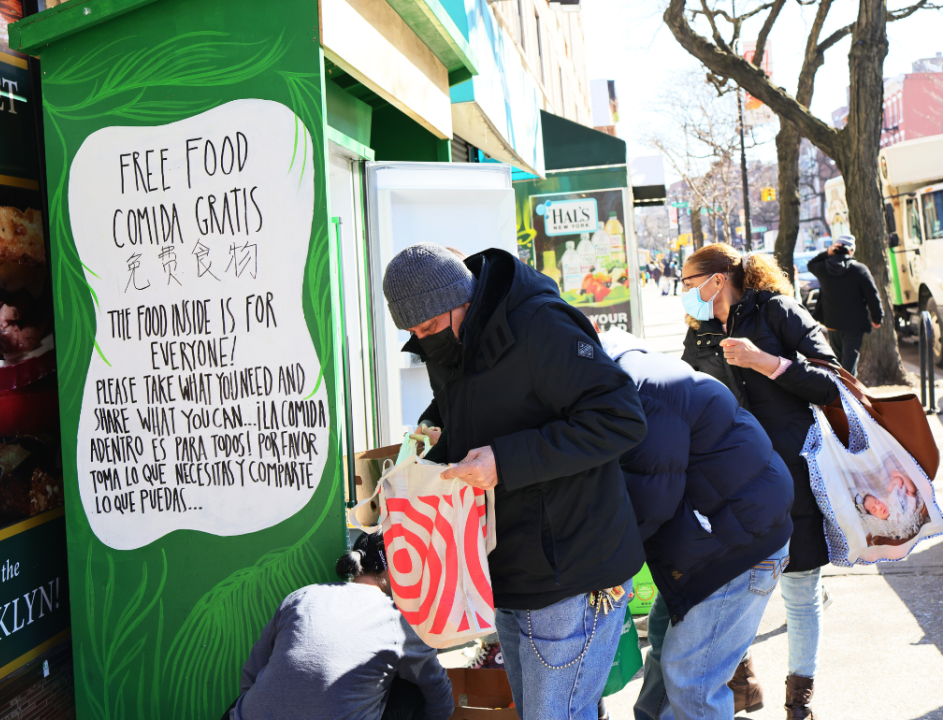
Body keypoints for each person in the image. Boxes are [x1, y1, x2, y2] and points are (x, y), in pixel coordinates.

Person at [382, 243, 648, 720]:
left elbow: (620, 418)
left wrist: (505, 461)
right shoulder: (450, 338)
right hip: (508, 568)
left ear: (461, 298)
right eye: (412, 332)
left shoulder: (539, 326)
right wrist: (429, 443)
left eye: (428, 328)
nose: (422, 341)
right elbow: (460, 410)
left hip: (573, 567)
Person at [679, 243, 840, 720]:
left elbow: (832, 381)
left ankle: (799, 701)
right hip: (730, 479)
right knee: (728, 584)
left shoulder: (776, 312)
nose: (684, 294)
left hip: (793, 470)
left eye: (689, 284)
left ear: (718, 280)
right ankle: (743, 680)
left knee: (799, 586)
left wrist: (766, 362)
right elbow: (688, 397)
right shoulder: (701, 333)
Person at [600, 329, 794, 720]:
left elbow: (651, 496)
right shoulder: (638, 373)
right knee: (664, 642)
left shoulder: (640, 388)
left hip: (735, 549)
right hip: (725, 538)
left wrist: (607, 568)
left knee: (693, 681)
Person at [229, 531, 454, 720]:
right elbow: (441, 700)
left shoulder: (302, 596)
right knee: (411, 689)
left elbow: (252, 672)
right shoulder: (398, 621)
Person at [806, 234, 883, 375]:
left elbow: (810, 264)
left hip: (832, 323)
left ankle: (842, 392)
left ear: (834, 249)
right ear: (851, 251)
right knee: (849, 365)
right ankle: (848, 392)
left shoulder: (823, 269)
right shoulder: (859, 269)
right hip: (854, 325)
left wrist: (826, 253)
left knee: (838, 362)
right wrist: (877, 317)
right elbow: (872, 295)